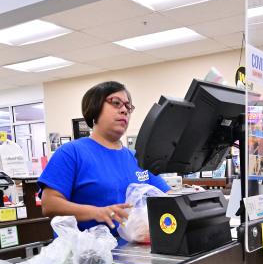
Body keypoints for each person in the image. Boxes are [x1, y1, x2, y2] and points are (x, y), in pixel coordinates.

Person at [39, 81, 170, 233]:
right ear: (94, 108)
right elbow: (49, 204)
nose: (124, 111)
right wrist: (97, 212)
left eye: (128, 106)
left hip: (132, 250)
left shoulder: (138, 159)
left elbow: (166, 195)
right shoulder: (71, 153)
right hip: (88, 252)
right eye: (116, 103)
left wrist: (195, 196)